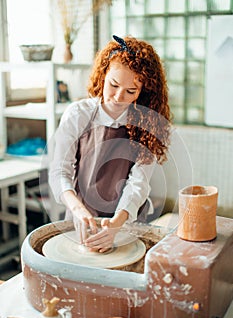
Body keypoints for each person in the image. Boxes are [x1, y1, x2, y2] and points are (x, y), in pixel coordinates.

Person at [49, 35, 172, 253]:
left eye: (130, 91)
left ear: (143, 91)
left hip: (127, 219)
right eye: (113, 85)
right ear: (103, 74)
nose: (118, 97)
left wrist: (117, 224)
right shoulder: (78, 115)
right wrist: (78, 209)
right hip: (80, 216)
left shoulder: (148, 123)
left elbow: (138, 183)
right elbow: (60, 171)